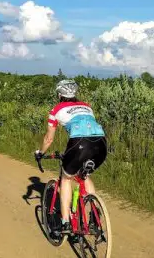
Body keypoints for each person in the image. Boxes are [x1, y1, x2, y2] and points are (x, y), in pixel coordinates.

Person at [35, 79, 107, 237]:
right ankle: (95, 218)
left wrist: (40, 153)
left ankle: (65, 222)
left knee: (66, 178)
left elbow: (49, 139)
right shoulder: (87, 106)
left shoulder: (56, 110)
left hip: (79, 143)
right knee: (84, 175)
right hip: (101, 144)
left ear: (59, 94)